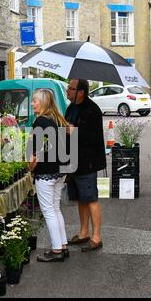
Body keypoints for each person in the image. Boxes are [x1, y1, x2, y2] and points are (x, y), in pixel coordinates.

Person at [65, 79, 106, 252]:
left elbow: (95, 138)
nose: (67, 91)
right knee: (80, 199)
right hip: (73, 161)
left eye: (71, 88)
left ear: (80, 92)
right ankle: (84, 233)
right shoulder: (71, 108)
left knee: (91, 199)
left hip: (87, 161)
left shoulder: (93, 110)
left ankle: (97, 237)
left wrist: (76, 131)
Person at [28, 89, 69, 262]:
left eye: (35, 100)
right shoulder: (58, 119)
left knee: (48, 211)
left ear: (43, 102)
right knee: (55, 208)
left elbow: (34, 151)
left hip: (46, 172)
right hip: (60, 171)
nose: (32, 103)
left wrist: (29, 168)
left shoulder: (41, 121)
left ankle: (57, 249)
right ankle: (63, 245)